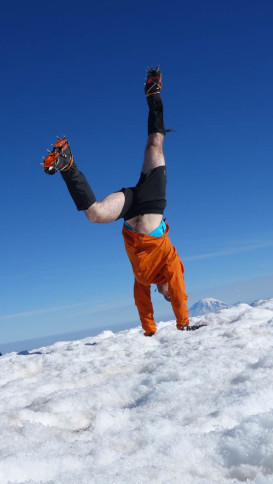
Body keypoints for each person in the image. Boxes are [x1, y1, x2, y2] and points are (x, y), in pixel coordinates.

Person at [43, 67, 200, 336]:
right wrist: (183, 323)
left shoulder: (143, 280)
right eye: (165, 294)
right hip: (151, 206)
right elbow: (178, 290)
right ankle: (154, 95)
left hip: (130, 212)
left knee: (95, 214)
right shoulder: (172, 265)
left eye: (161, 293)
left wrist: (150, 331)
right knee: (155, 146)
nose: (163, 293)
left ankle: (67, 164)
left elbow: (141, 302)